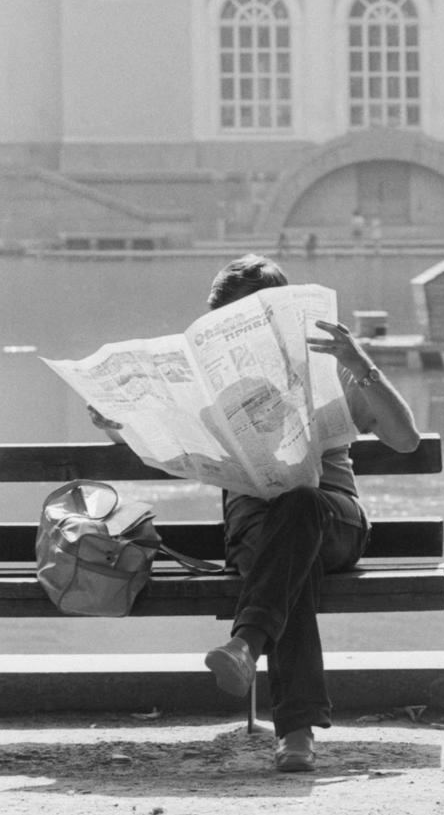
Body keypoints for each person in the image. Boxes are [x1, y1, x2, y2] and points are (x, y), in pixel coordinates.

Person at [96, 255, 420, 773]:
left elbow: (404, 440)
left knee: (300, 505)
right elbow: (173, 449)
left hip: (331, 518)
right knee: (289, 560)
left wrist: (362, 366)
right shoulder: (214, 387)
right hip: (259, 532)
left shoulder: (331, 367)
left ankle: (247, 642)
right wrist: (121, 423)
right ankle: (297, 735)